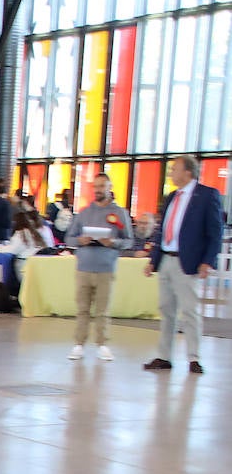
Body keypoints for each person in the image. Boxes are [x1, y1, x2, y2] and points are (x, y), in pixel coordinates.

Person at [144, 155, 224, 374]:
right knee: (166, 310)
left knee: (189, 311)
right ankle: (164, 356)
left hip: (188, 262)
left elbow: (215, 232)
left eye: (174, 169)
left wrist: (208, 260)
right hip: (167, 259)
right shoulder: (171, 197)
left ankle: (193, 357)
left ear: (188, 172)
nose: (171, 173)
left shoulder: (207, 196)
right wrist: (153, 260)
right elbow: (162, 231)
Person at [64, 173, 132, 362]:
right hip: (84, 267)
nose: (98, 190)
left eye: (102, 186)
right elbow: (68, 237)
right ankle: (79, 344)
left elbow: (129, 240)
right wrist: (80, 240)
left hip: (105, 268)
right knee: (82, 308)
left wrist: (113, 242)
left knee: (102, 309)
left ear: (109, 188)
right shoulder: (84, 213)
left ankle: (102, 344)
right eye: (95, 186)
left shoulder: (119, 213)